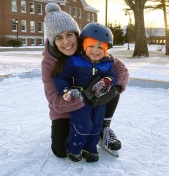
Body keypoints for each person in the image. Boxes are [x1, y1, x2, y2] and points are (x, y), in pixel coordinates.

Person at [41, 2, 129, 160]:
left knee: (110, 80)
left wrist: (112, 88)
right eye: (59, 38)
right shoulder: (49, 63)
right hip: (64, 111)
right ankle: (80, 129)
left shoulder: (90, 48)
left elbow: (121, 70)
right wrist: (85, 97)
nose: (66, 41)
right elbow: (55, 100)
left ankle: (103, 128)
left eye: (69, 34)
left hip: (95, 107)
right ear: (54, 41)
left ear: (77, 34)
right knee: (61, 152)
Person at [53, 23, 118, 162]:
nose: (96, 50)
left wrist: (107, 81)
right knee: (83, 126)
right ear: (84, 45)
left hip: (98, 102)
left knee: (96, 126)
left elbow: (114, 77)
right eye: (91, 46)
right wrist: (66, 92)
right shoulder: (74, 61)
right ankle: (74, 149)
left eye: (101, 47)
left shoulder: (107, 63)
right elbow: (60, 77)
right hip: (80, 101)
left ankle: (90, 149)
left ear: (106, 50)